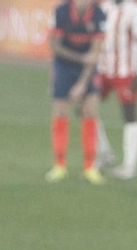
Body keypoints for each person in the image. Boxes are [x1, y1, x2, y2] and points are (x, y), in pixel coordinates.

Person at [46, 0, 107, 184]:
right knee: (61, 111)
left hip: (88, 69)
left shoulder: (99, 15)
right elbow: (54, 46)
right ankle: (59, 165)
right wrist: (80, 58)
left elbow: (95, 53)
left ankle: (89, 167)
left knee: (90, 111)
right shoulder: (61, 11)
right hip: (64, 66)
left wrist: (82, 83)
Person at [93, 0, 137, 180]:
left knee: (129, 113)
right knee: (87, 106)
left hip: (126, 71)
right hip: (103, 69)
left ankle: (130, 165)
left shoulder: (135, 11)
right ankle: (104, 152)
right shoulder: (104, 8)